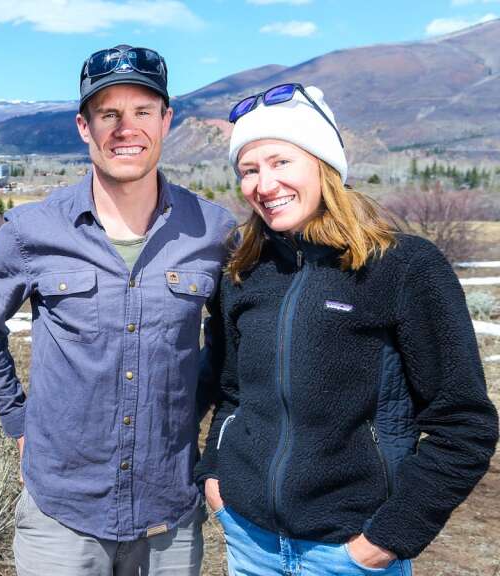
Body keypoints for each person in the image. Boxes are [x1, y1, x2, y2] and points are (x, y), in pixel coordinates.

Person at [195, 83, 499, 575]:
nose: (264, 184)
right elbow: (233, 394)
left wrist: (386, 539)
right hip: (250, 543)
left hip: (349, 553)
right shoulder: (244, 270)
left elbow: (464, 425)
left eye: (281, 162)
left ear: (324, 165)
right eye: (249, 170)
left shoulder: (402, 267)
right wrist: (215, 478)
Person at [0, 45, 235, 576]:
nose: (124, 129)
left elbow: (234, 341)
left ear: (166, 121)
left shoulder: (213, 231)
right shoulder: (32, 230)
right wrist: (17, 419)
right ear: (84, 126)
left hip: (168, 511)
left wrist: (190, 408)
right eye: (108, 114)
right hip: (62, 512)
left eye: (141, 113)